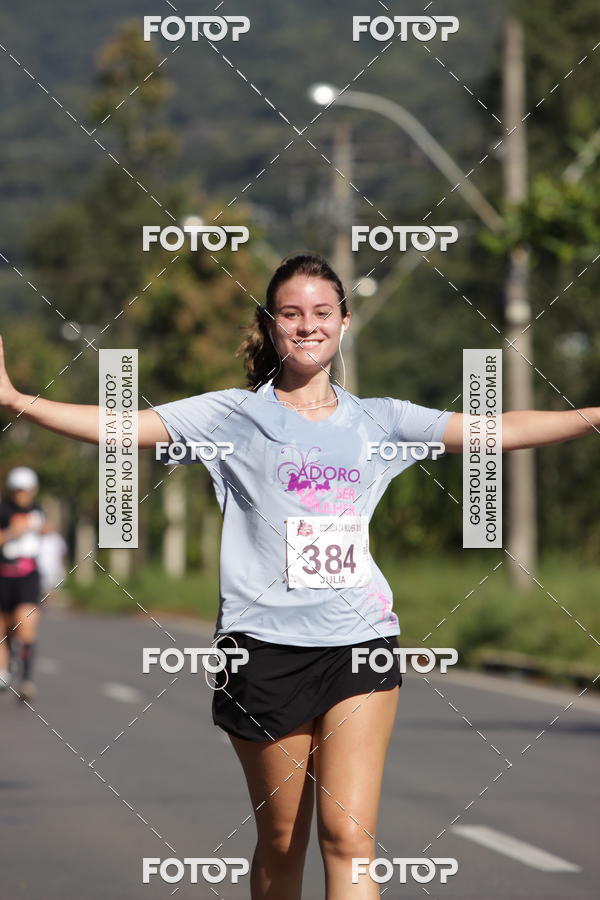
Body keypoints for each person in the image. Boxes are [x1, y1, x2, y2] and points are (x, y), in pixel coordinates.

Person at [0, 252, 598, 898]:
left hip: (360, 643)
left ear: (344, 323)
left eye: (321, 313)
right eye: (291, 314)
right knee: (283, 843)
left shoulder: (382, 421)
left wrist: (594, 416)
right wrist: (15, 400)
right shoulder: (231, 415)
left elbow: (498, 429)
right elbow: (122, 428)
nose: (307, 325)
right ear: (270, 325)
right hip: (263, 649)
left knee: (348, 838)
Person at [0, 466, 44, 702]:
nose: (22, 495)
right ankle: (4, 671)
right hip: (3, 575)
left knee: (26, 623)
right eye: (17, 490)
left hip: (27, 576)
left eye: (25, 490)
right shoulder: (2, 510)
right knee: (5, 627)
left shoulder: (38, 510)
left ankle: (25, 680)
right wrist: (10, 534)